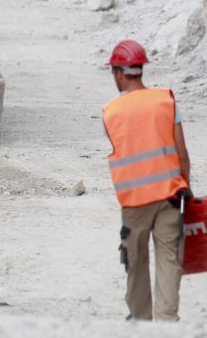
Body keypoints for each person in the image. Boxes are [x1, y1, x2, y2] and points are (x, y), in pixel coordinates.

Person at [103, 39, 191, 322]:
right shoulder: (166, 100)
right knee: (169, 261)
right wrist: (185, 188)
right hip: (169, 197)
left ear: (119, 72)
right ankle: (166, 323)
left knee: (135, 263)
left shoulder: (111, 113)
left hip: (134, 203)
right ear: (140, 69)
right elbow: (182, 153)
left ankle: (141, 322)